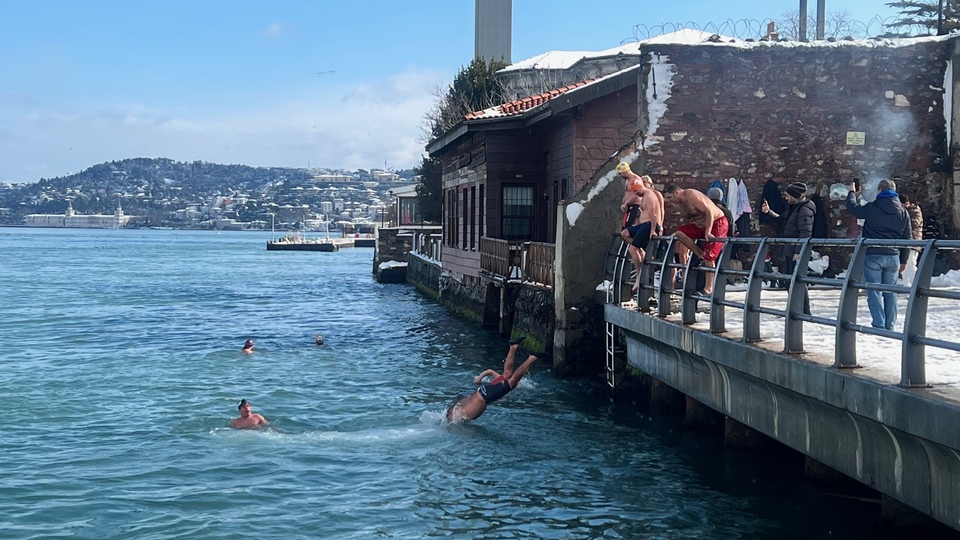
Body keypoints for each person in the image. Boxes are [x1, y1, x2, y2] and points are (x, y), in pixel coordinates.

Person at [845, 179, 911, 330]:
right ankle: (890, 325)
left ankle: (879, 324)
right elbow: (908, 237)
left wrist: (851, 194)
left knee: (874, 291)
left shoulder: (873, 207)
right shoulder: (903, 212)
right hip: (893, 255)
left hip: (873, 253)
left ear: (880, 190)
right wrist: (904, 259)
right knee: (891, 291)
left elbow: (853, 208)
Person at [447, 337, 538, 422]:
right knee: (507, 375)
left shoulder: (460, 416)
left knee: (512, 382)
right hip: (482, 391)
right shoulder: (460, 408)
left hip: (485, 395)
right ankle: (513, 347)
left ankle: (532, 358)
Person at [662, 184, 728, 294]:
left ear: (677, 192)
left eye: (670, 197)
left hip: (717, 223)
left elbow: (709, 211)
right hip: (700, 226)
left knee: (709, 255)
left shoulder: (691, 195)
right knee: (679, 233)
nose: (669, 201)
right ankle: (700, 255)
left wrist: (708, 231)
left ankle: (708, 287)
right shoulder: (678, 203)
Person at [761, 182, 814, 313]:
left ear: (795, 196)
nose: (786, 198)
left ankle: (802, 310)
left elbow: (805, 233)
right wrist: (769, 212)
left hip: (795, 251)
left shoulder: (804, 210)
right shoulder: (794, 208)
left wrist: (798, 251)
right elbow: (781, 220)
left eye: (788, 195)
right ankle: (797, 309)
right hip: (791, 249)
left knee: (797, 281)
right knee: (792, 280)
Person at [617, 164, 663, 292]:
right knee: (625, 233)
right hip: (643, 225)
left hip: (649, 225)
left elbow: (654, 214)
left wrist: (654, 230)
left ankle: (639, 274)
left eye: (636, 191)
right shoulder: (643, 195)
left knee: (632, 249)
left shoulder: (649, 196)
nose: (636, 194)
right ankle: (641, 250)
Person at [898, 193, 924, 286]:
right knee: (904, 264)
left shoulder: (915, 211)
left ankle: (916, 286)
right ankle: (907, 286)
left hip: (914, 241)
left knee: (911, 264)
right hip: (905, 241)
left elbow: (915, 223)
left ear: (906, 203)